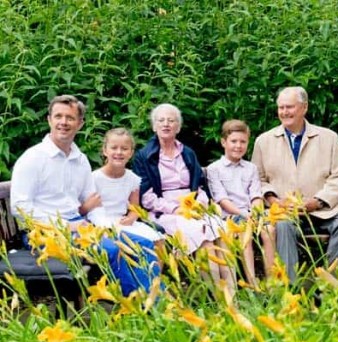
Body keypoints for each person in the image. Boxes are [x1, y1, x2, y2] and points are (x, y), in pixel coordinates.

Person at [10, 95, 159, 296]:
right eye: (58, 116)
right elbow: (19, 207)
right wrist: (65, 226)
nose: (63, 122)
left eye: (70, 118)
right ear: (49, 120)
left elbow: (93, 203)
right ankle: (137, 304)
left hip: (82, 228)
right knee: (111, 249)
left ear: (80, 123)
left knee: (144, 243)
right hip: (43, 233)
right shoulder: (32, 158)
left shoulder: (80, 160)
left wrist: (104, 226)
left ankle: (155, 299)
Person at [250, 86, 338, 282]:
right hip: (284, 212)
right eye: (281, 107)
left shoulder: (329, 137)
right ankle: (290, 287)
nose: (284, 112)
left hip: (323, 211)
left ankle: (329, 283)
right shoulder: (263, 141)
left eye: (289, 107)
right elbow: (258, 178)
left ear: (304, 107)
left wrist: (318, 201)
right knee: (282, 225)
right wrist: (274, 201)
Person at [133, 103, 235, 291]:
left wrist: (198, 204)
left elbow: (199, 185)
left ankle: (231, 292)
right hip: (164, 212)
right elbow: (146, 198)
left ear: (178, 127)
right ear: (154, 126)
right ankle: (218, 296)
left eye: (171, 120)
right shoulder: (144, 156)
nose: (166, 124)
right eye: (161, 120)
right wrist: (176, 209)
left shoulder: (187, 153)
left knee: (221, 230)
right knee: (205, 238)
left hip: (193, 207)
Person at [207, 119, 276, 286]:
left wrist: (256, 212)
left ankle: (272, 281)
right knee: (245, 232)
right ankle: (252, 282)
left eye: (243, 142)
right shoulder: (214, 169)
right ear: (223, 142)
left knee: (269, 230)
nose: (238, 146)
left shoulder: (251, 168)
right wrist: (244, 214)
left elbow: (256, 195)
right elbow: (222, 199)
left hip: (252, 213)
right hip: (230, 216)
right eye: (234, 141)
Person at [91, 128, 163, 243]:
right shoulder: (94, 178)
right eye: (114, 148)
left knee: (158, 240)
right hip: (101, 223)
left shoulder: (133, 179)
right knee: (130, 242)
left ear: (131, 153)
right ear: (105, 150)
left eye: (124, 149)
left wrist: (131, 218)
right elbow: (90, 208)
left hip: (123, 221)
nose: (119, 152)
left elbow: (135, 208)